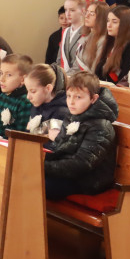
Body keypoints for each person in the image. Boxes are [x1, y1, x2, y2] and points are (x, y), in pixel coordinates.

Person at [43, 71, 118, 200]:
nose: (71, 102)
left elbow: (82, 164)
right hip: (69, 175)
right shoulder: (72, 117)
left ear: (93, 99)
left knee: (35, 184)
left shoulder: (101, 126)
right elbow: (59, 149)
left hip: (87, 182)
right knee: (24, 176)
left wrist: (43, 166)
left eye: (78, 97)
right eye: (69, 96)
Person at [94, 5, 130, 84]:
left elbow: (124, 79)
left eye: (114, 22)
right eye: (108, 21)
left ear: (125, 24)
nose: (109, 25)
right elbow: (99, 71)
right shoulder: (110, 42)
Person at [0, 54, 34, 138]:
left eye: (9, 75)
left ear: (23, 79)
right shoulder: (2, 96)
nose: (2, 79)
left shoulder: (25, 102)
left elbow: (20, 135)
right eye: (1, 73)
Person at [24, 64, 70, 136]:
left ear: (48, 88)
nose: (28, 97)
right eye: (27, 91)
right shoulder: (36, 106)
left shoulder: (60, 112)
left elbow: (54, 144)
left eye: (33, 91)